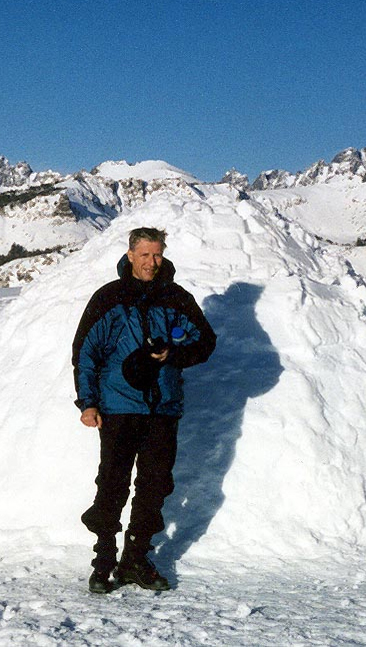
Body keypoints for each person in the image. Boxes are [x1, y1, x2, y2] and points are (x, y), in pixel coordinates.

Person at [72, 227, 216, 593]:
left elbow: (205, 341)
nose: (152, 262)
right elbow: (86, 353)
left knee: (155, 485)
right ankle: (103, 560)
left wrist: (175, 353)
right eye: (145, 255)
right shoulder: (109, 298)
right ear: (131, 254)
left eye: (158, 255)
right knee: (112, 483)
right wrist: (88, 402)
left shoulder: (176, 297)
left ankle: (135, 559)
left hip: (163, 408)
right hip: (118, 407)